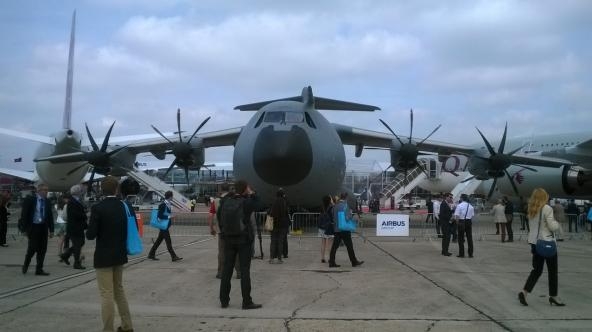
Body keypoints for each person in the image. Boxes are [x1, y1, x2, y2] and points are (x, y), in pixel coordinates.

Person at [86, 176, 134, 331]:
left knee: (106, 294)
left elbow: (91, 235)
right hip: (119, 254)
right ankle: (127, 326)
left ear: (102, 189)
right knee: (119, 290)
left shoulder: (98, 208)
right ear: (116, 189)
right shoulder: (123, 206)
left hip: (103, 256)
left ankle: (108, 329)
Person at [218, 180, 263, 310]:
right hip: (244, 240)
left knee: (227, 269)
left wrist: (225, 233)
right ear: (245, 189)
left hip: (228, 240)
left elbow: (220, 218)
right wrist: (252, 193)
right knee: (244, 271)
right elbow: (259, 204)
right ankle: (246, 302)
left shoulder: (226, 200)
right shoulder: (246, 202)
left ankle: (224, 300)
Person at [518, 188, 564, 307]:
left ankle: (524, 292)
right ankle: (553, 296)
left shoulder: (531, 208)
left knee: (537, 270)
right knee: (552, 271)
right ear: (544, 197)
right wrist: (557, 223)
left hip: (534, 242)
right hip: (546, 242)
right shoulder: (547, 208)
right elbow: (552, 227)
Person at [21, 182, 54, 276]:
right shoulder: (30, 200)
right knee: (32, 248)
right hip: (33, 227)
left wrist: (51, 230)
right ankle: (26, 264)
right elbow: (24, 215)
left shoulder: (47, 201)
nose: (47, 192)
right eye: (45, 190)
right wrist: (24, 229)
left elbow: (50, 216)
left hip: (43, 227)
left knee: (43, 249)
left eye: (47, 190)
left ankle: (39, 269)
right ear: (38, 191)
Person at [208, 184, 240, 279]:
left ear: (221, 189)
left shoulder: (216, 201)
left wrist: (211, 228)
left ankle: (221, 273)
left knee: (222, 252)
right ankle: (239, 272)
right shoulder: (236, 199)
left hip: (222, 231)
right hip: (235, 231)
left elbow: (210, 216)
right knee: (236, 252)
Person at [328, 192, 364, 268]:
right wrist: (352, 217)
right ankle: (354, 262)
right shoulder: (345, 206)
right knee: (349, 246)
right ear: (346, 198)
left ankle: (331, 262)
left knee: (334, 246)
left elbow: (332, 215)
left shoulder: (335, 206)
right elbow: (348, 217)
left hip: (337, 229)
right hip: (344, 229)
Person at [148, 191, 182, 262]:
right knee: (168, 241)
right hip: (163, 226)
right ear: (170, 197)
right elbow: (160, 216)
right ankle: (173, 256)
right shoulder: (162, 205)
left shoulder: (168, 204)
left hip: (165, 226)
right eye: (172, 196)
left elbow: (166, 214)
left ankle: (151, 254)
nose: (173, 197)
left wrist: (171, 216)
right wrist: (170, 216)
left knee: (159, 241)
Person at [60, 185, 88, 269]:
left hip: (78, 227)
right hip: (74, 227)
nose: (81, 193)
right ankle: (76, 263)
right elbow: (74, 214)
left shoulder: (76, 201)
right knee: (78, 245)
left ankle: (65, 255)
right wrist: (84, 215)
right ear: (77, 192)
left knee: (80, 243)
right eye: (80, 191)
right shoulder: (72, 202)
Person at [269, 188, 290, 264]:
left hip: (274, 225)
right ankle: (279, 259)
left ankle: (271, 258)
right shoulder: (284, 202)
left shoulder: (273, 201)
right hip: (282, 225)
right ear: (283, 194)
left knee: (273, 242)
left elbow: (270, 213)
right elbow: (286, 213)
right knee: (281, 242)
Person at [453, 194, 475, 258]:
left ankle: (461, 254)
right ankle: (470, 254)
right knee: (469, 238)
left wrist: (457, 223)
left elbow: (456, 216)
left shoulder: (459, 206)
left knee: (460, 239)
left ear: (462, 198)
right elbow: (472, 215)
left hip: (461, 221)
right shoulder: (471, 206)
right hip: (468, 222)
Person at [318, 195, 335, 263]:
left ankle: (322, 258)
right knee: (330, 244)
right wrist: (332, 202)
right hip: (329, 227)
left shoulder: (321, 207)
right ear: (329, 200)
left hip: (322, 227)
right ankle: (330, 258)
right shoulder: (331, 207)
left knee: (323, 243)